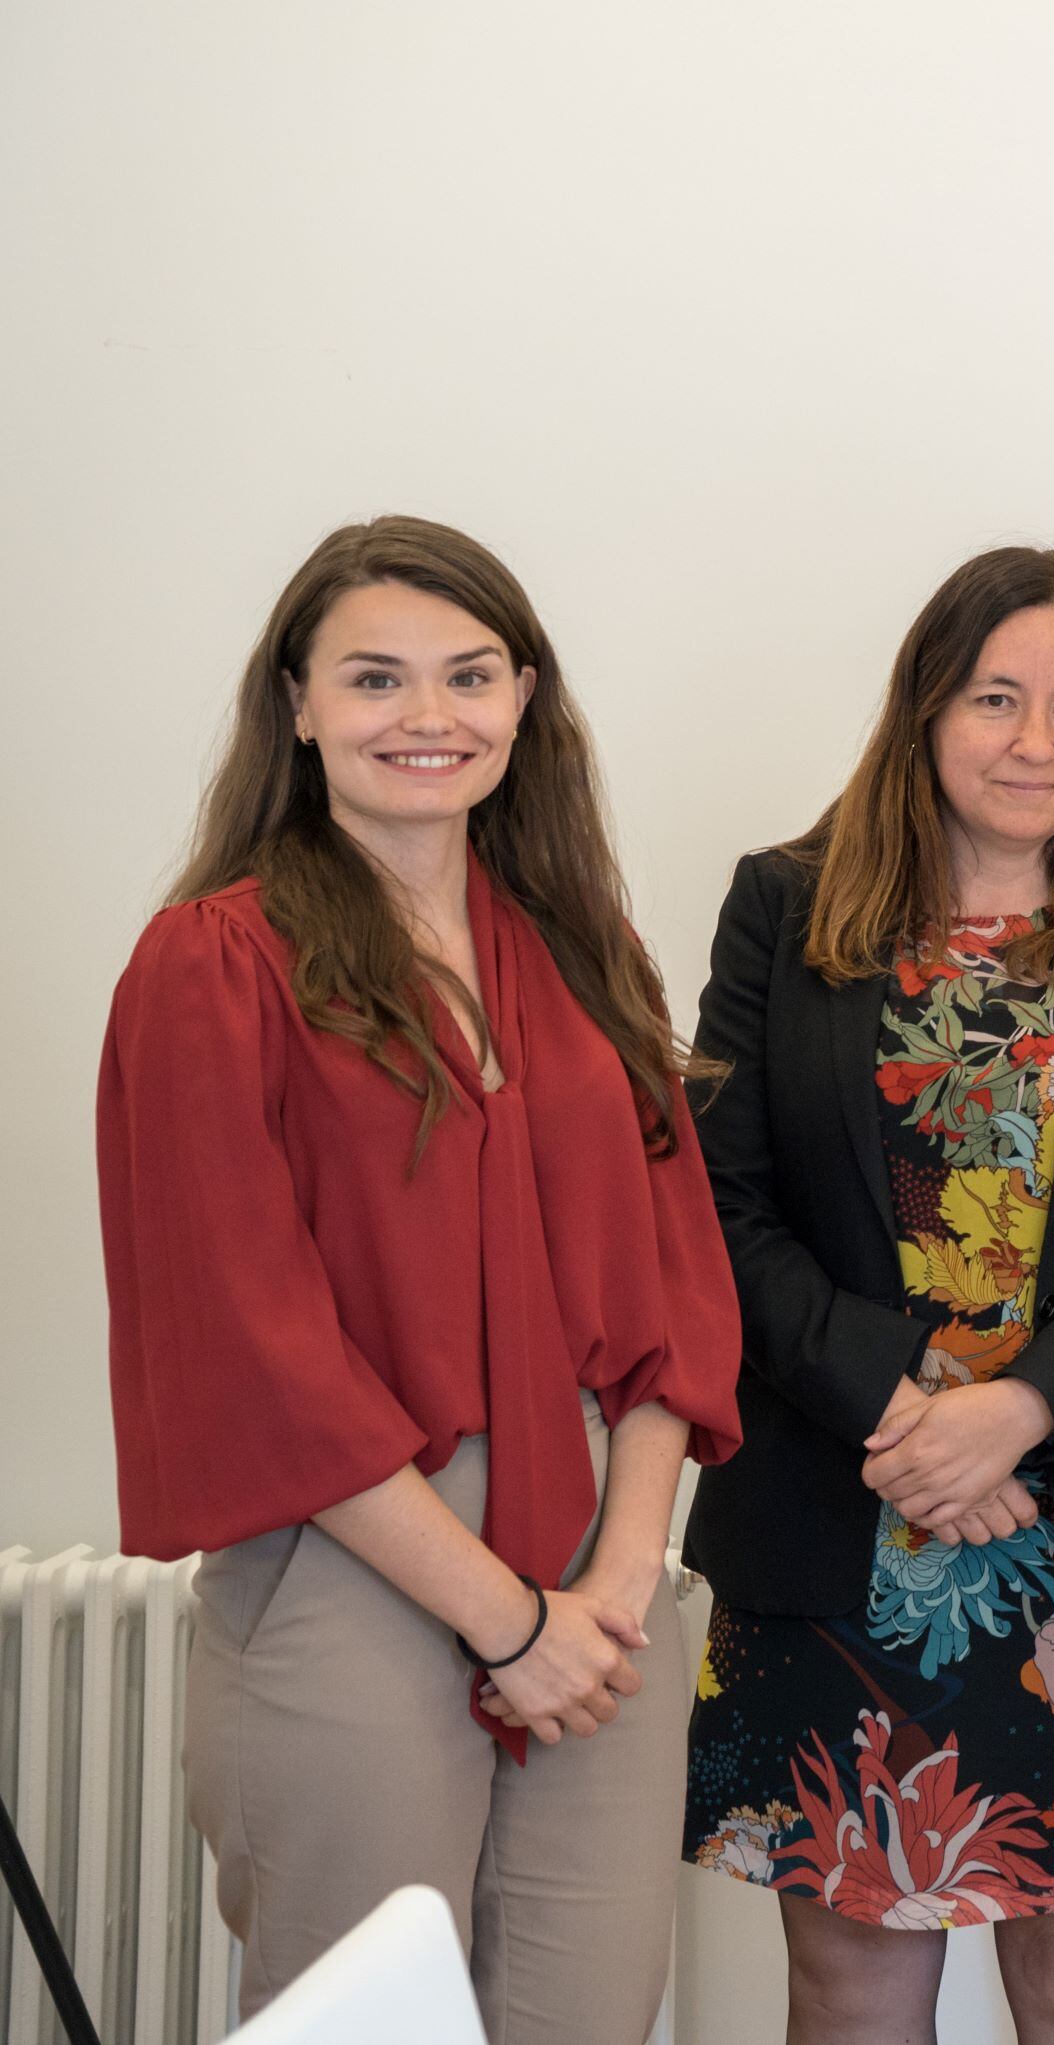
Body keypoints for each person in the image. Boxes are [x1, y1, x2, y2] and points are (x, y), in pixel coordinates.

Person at [99, 516, 741, 2041]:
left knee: (588, 2014)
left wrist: (611, 1582)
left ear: (525, 699)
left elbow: (675, 1285)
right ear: (298, 703)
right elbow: (247, 1342)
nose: (427, 717)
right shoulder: (214, 964)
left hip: (601, 1565)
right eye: (376, 679)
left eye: (467, 675)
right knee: (369, 2023)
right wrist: (502, 1620)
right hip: (359, 1561)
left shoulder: (589, 955)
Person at [678, 548, 1054, 2045]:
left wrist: (1016, 1411)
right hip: (839, 1501)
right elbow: (718, 1205)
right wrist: (903, 1407)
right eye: (998, 697)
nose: (1036, 739)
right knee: (855, 1976)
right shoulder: (782, 909)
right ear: (927, 706)